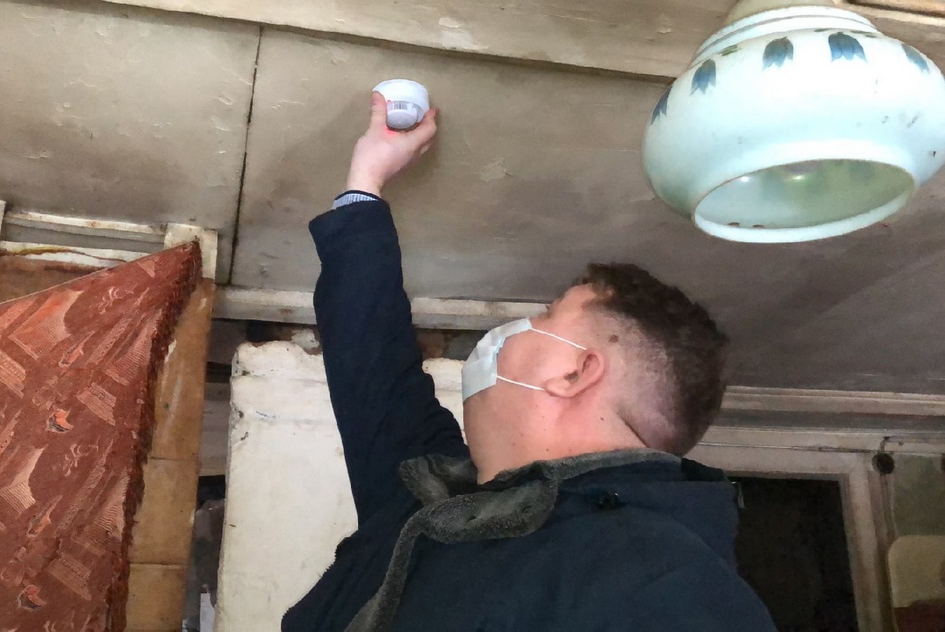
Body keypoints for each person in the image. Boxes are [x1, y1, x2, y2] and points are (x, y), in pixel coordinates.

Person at [282, 93, 776, 632]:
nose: (517, 327)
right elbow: (371, 359)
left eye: (546, 315)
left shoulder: (664, 583)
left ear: (575, 373)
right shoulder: (435, 501)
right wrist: (366, 184)